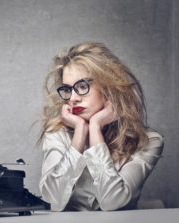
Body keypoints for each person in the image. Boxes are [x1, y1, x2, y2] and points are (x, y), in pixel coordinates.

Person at [38, 42, 164, 211]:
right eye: (68, 89)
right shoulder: (57, 133)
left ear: (109, 87)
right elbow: (52, 199)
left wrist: (95, 128)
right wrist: (79, 135)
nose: (73, 98)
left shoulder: (148, 141)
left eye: (82, 86)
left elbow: (112, 202)